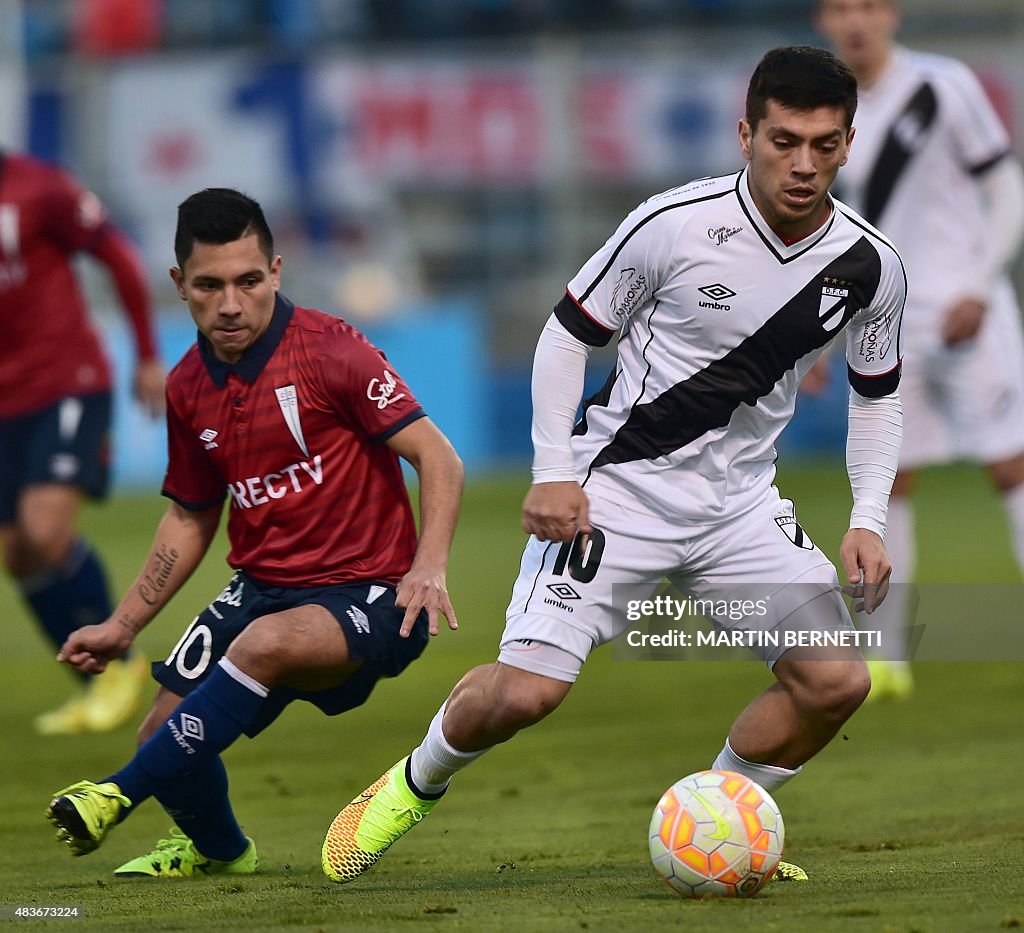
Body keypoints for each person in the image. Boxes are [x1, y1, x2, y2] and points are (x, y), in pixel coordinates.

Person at [321, 45, 905, 886]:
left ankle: (724, 819)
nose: (804, 164)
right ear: (746, 134)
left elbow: (877, 392)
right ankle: (415, 780)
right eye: (784, 140)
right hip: (616, 493)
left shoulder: (872, 265)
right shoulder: (671, 225)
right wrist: (554, 468)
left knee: (835, 680)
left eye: (823, 143)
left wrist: (867, 517)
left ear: (848, 144)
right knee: (525, 695)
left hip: (740, 505)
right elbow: (567, 335)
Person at [44, 187, 463, 878]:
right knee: (165, 733)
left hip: (373, 591)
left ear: (275, 269)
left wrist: (429, 564)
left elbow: (437, 455)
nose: (230, 304)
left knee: (262, 645)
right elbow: (189, 513)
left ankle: (115, 793)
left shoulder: (335, 353)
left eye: (247, 281)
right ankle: (220, 851)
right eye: (209, 285)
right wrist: (122, 624)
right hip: (263, 587)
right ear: (179, 285)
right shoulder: (186, 387)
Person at [813, 0, 1024, 700]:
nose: (855, 21)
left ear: (892, 14)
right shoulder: (821, 111)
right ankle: (885, 656)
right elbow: (825, 234)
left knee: (1010, 464)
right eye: (840, 8)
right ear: (821, 20)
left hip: (969, 311)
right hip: (886, 315)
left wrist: (982, 285)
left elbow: (1006, 188)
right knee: (888, 479)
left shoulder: (943, 85)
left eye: (868, 5)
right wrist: (815, 335)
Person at [0, 149, 165, 735]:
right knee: (17, 552)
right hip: (4, 404)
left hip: (66, 384)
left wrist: (146, 354)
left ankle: (120, 660)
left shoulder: (40, 188)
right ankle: (97, 682)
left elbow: (117, 256)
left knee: (44, 529)